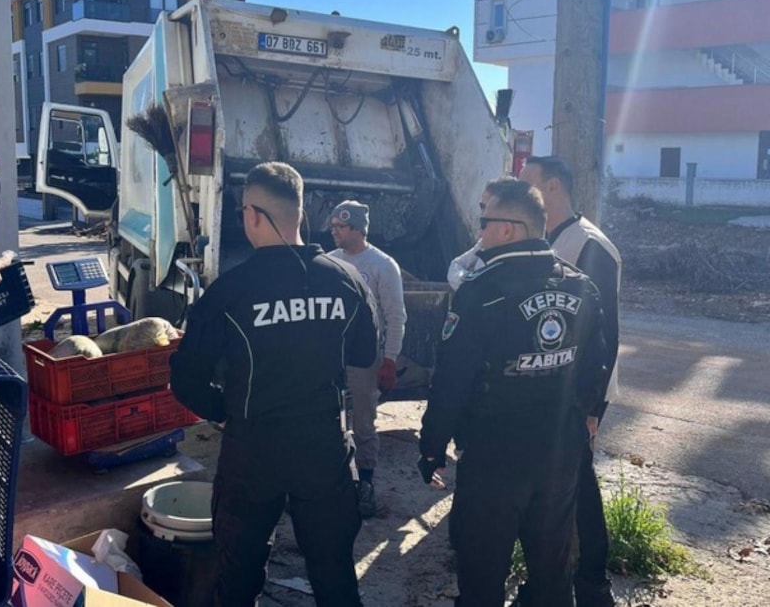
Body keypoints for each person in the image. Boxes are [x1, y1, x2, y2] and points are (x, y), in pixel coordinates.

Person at [169, 162, 378, 607]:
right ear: (299, 214)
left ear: (253, 215)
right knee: (336, 577)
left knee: (238, 576)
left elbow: (185, 378)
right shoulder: (347, 280)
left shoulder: (231, 291)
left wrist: (223, 411)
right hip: (323, 447)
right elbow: (364, 355)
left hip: (252, 451)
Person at [418, 178, 609, 607]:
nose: (480, 232)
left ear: (508, 229)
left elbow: (451, 382)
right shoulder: (580, 286)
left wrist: (431, 448)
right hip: (559, 454)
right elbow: (595, 365)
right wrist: (580, 420)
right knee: (553, 574)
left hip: (494, 457)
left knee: (482, 574)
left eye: (484, 222)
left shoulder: (480, 293)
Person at [518, 155, 621, 607]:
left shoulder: (589, 244)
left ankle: (593, 583)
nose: (521, 192)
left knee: (578, 491)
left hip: (578, 396)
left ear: (553, 187)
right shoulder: (546, 238)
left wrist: (592, 408)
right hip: (548, 391)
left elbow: (605, 334)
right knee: (549, 491)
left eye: (528, 183)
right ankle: (548, 580)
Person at [328, 200, 407, 518]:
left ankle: (366, 483)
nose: (335, 232)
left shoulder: (382, 265)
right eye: (333, 226)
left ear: (359, 229)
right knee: (328, 419)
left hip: (365, 357)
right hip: (333, 354)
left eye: (342, 227)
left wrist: (389, 359)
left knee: (363, 421)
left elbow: (395, 315)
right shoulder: (329, 261)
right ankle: (331, 481)